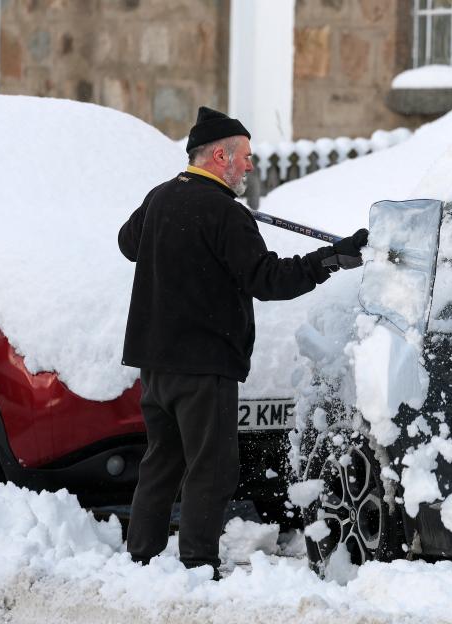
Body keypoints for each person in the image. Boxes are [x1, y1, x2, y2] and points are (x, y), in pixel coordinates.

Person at [118, 106, 368, 579]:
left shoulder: (161, 198)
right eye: (245, 157)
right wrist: (331, 259)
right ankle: (197, 562)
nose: (250, 166)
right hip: (204, 364)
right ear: (219, 156)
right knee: (211, 469)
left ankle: (142, 558)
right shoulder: (226, 215)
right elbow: (269, 279)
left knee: (161, 463)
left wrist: (176, 205)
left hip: (156, 363)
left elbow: (128, 243)